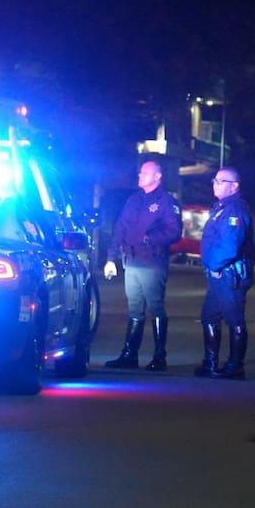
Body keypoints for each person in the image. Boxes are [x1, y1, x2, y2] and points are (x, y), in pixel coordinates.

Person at [102, 159, 183, 371]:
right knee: (135, 309)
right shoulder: (133, 200)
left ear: (157, 177)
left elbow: (174, 231)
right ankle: (129, 354)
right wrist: (111, 258)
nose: (140, 175)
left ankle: (159, 356)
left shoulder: (167, 202)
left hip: (152, 262)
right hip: (131, 261)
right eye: (140, 172)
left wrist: (150, 238)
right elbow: (120, 229)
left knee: (155, 307)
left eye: (145, 172)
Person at [195, 166, 253, 380]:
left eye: (221, 181)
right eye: (215, 180)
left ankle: (235, 366)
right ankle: (210, 363)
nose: (215, 184)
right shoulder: (222, 207)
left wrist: (216, 266)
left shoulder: (234, 210)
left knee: (234, 319)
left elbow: (230, 245)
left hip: (230, 274)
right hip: (218, 273)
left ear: (234, 186)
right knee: (209, 316)